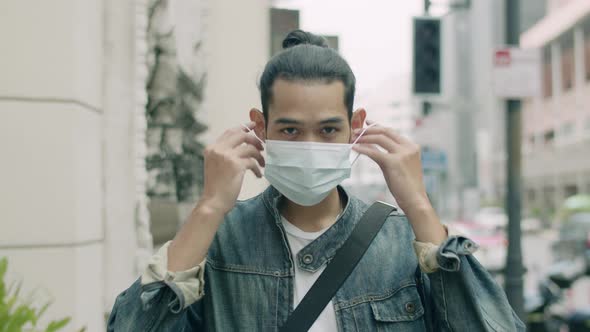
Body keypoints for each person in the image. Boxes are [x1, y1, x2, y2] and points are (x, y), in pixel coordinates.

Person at [107, 30, 524, 331]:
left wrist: (418, 203)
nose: (309, 145)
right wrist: (210, 207)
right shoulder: (221, 240)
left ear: (355, 126)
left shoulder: (401, 241)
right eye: (289, 130)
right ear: (260, 126)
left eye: (327, 130)